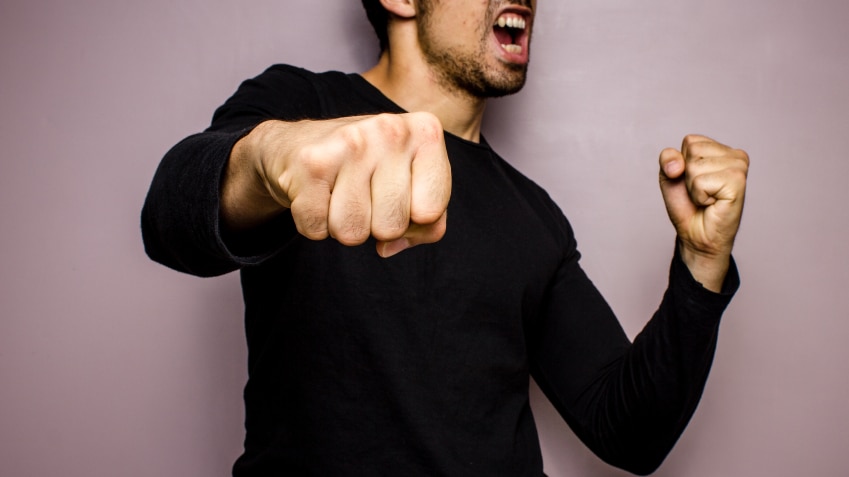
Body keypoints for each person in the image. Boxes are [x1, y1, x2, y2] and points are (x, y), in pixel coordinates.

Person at [141, 0, 749, 475]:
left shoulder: (536, 215)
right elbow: (169, 219)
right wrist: (271, 156)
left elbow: (630, 432)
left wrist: (700, 261)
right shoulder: (305, 106)